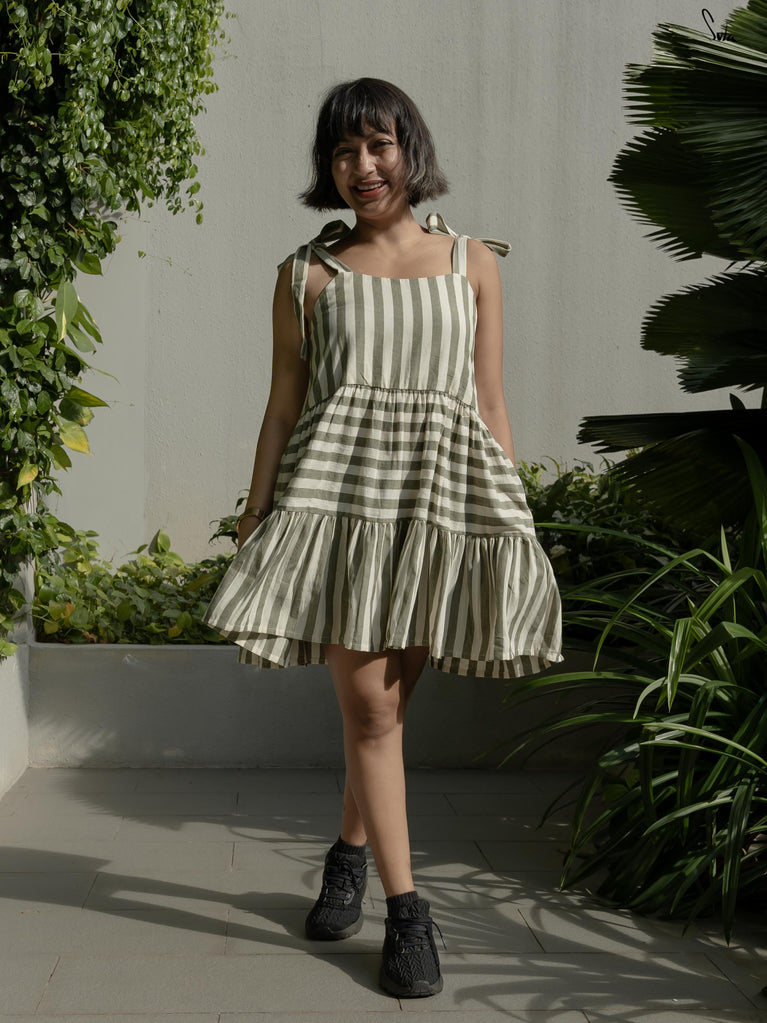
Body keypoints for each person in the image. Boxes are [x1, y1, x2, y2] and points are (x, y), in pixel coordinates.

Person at [202, 77, 563, 999]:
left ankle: (348, 855)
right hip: (337, 508)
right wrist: (255, 512)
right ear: (327, 167)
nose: (361, 167)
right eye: (342, 152)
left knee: (388, 715)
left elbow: (488, 401)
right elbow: (282, 406)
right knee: (368, 711)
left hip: (440, 508)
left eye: (377, 145)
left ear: (409, 150)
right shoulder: (307, 275)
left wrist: (508, 516)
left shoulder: (472, 261)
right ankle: (408, 915)